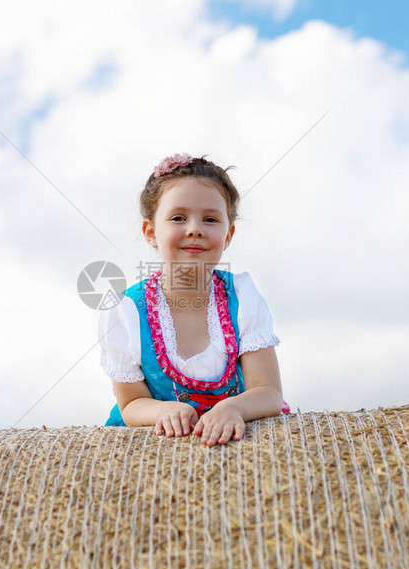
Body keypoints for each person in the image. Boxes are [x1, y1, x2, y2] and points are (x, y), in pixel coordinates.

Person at [98, 153, 288, 446]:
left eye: (211, 219)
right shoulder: (125, 312)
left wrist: (232, 407)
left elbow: (269, 392)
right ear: (151, 232)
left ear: (228, 235)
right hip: (150, 453)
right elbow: (131, 403)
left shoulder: (242, 295)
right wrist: (163, 409)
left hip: (237, 435)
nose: (195, 228)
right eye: (178, 218)